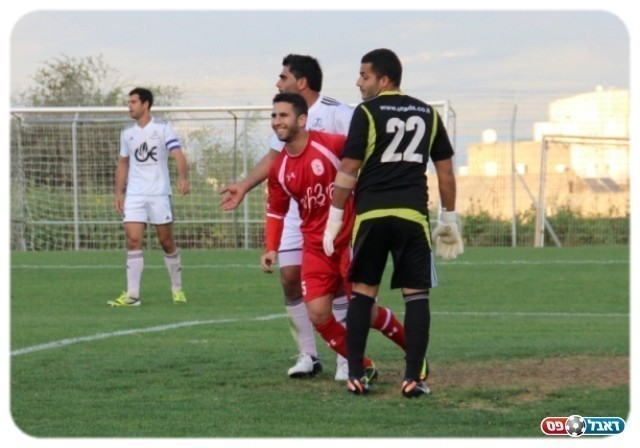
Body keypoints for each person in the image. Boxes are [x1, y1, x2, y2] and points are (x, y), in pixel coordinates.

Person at [323, 49, 463, 398]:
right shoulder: (428, 113)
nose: (358, 82)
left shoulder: (367, 112)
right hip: (411, 216)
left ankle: (356, 376)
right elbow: (445, 171)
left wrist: (334, 218)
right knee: (416, 295)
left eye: (364, 75)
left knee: (363, 293)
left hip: (371, 215)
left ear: (384, 80)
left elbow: (348, 169)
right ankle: (413, 378)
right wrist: (449, 218)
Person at [219, 54, 354, 380]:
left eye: (283, 77)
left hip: (334, 215)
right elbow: (274, 158)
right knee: (290, 278)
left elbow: (358, 154)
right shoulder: (284, 117)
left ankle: (346, 356)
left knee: (337, 285)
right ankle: (308, 355)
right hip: (297, 213)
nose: (278, 83)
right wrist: (244, 186)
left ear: (301, 82)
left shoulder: (337, 113)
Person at [261, 93, 408, 389]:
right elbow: (276, 210)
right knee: (317, 313)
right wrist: (271, 247)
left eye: (284, 115)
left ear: (302, 120)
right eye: (274, 116)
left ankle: (413, 349)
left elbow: (365, 156)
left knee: (366, 312)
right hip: (315, 247)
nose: (277, 121)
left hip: (350, 238)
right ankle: (361, 364)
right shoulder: (279, 168)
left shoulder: (331, 144)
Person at [108, 87, 190, 307]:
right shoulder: (127, 132)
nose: (129, 106)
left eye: (133, 102)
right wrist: (119, 193)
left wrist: (182, 177)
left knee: (166, 241)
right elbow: (123, 162)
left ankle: (177, 288)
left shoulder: (162, 127)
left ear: (145, 104)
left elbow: (177, 154)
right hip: (135, 194)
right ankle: (133, 295)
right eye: (129, 102)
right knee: (133, 240)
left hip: (159, 193)